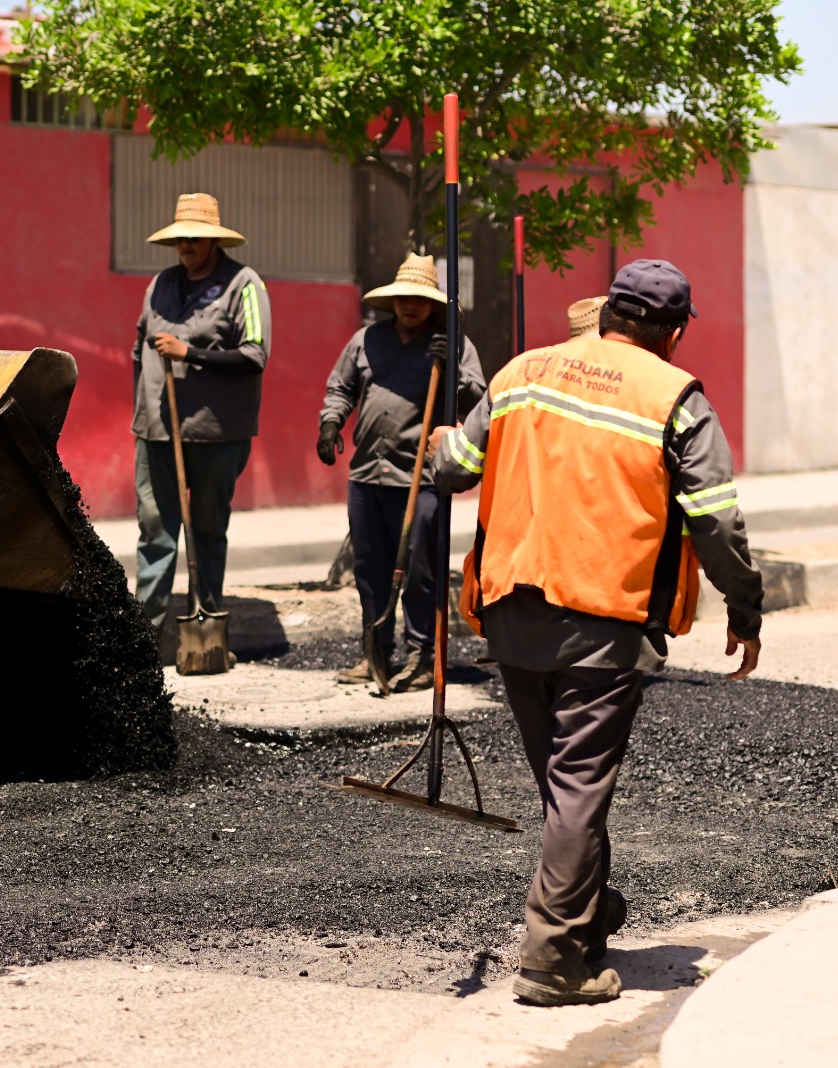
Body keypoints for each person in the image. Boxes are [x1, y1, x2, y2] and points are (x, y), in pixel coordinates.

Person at [430, 259, 763, 1007]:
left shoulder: (521, 372)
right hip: (602, 620)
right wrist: (745, 607)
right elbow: (715, 517)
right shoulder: (673, 397)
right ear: (674, 332)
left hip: (510, 610)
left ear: (608, 311)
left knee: (562, 785)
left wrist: (440, 438)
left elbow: (454, 469)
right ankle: (553, 961)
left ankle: (586, 915)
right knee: (578, 788)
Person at [317, 253, 485, 690]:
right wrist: (331, 422)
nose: (411, 306)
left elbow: (480, 404)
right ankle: (374, 654)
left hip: (421, 480)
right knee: (370, 568)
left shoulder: (455, 346)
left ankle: (422, 657)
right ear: (393, 302)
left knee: (421, 571)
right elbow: (341, 386)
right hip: (368, 475)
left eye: (420, 300)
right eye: (404, 299)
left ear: (432, 305)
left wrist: (452, 371)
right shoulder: (366, 340)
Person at [132, 193, 271, 633]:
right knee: (155, 532)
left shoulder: (244, 284)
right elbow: (139, 348)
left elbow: (255, 354)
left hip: (216, 433)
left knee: (208, 531)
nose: (186, 247)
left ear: (214, 241)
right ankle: (143, 635)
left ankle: (208, 619)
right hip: (157, 430)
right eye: (180, 240)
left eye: (194, 239)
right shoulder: (160, 285)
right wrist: (142, 405)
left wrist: (189, 352)